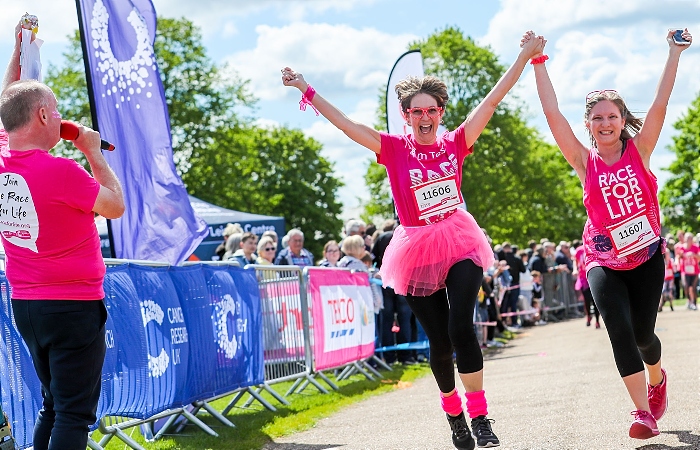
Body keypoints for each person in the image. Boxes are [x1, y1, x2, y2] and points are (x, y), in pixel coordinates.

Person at [282, 31, 545, 449]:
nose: (425, 116)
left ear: (440, 112)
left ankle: (480, 417)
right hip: (417, 247)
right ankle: (454, 416)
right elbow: (348, 126)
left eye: (432, 109)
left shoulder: (456, 142)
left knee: (462, 328)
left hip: (459, 240)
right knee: (439, 342)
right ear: (406, 115)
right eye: (416, 110)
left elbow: (492, 100)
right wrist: (305, 89)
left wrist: (525, 56)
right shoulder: (392, 148)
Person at [532, 28, 692, 439]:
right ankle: (643, 413)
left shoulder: (640, 150)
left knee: (644, 335)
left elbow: (660, 102)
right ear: (589, 124)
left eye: (612, 116)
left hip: (646, 256)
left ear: (622, 121)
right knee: (618, 329)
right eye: (597, 118)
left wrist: (673, 53)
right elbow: (553, 116)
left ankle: (658, 380)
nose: (605, 123)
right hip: (602, 259)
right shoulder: (584, 162)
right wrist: (538, 63)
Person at [0, 20, 125, 449]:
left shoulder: (2, 158)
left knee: (53, 406)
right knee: (73, 414)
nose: (59, 116)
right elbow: (115, 205)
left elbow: (7, 102)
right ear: (41, 116)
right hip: (72, 304)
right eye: (54, 110)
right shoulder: (61, 171)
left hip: (27, 304)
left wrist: (20, 50)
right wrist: (92, 150)